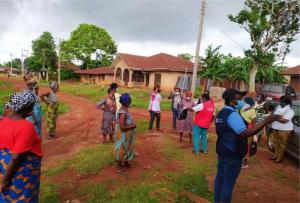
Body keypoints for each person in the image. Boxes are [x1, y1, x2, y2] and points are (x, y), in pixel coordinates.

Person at [214, 88, 281, 203]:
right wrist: (266, 121)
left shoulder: (221, 112)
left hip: (223, 150)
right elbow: (244, 133)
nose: (242, 102)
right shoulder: (233, 115)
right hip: (233, 153)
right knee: (228, 183)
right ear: (232, 101)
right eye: (240, 99)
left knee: (220, 178)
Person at [0, 90, 42, 202]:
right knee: (23, 196)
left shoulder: (3, 121)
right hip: (21, 170)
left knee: (7, 197)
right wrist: (5, 180)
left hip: (4, 166)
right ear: (27, 109)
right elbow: (16, 157)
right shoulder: (26, 126)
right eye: (32, 106)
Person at [114, 93, 137, 171]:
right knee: (122, 147)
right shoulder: (123, 113)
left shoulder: (124, 109)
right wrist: (133, 126)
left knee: (128, 147)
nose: (131, 100)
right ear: (127, 102)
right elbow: (122, 127)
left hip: (127, 134)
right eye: (130, 99)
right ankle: (119, 165)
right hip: (123, 134)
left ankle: (126, 162)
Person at [270, 96, 294, 163]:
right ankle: (275, 155)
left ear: (285, 103)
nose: (279, 102)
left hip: (284, 129)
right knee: (276, 142)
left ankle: (279, 158)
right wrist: (274, 112)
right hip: (276, 127)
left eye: (281, 101)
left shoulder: (290, 110)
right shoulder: (278, 107)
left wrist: (275, 118)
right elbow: (272, 115)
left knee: (281, 144)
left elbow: (285, 120)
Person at [240, 97, 256, 169]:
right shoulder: (242, 109)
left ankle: (245, 161)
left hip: (248, 130)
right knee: (241, 144)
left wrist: (254, 133)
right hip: (241, 129)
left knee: (247, 146)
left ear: (248, 103)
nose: (244, 103)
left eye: (245, 102)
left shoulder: (252, 111)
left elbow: (254, 123)